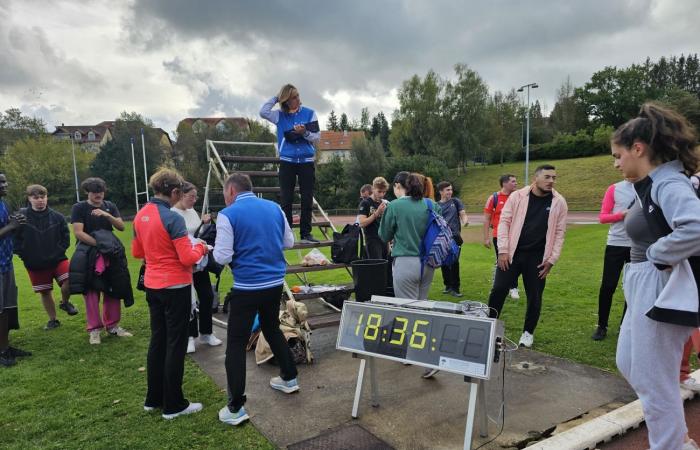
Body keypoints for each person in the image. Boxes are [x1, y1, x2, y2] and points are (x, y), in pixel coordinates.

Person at [612, 103, 700, 450]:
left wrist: (657, 255)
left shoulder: (669, 183)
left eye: (618, 155)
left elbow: (695, 225)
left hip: (660, 285)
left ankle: (673, 446)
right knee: (629, 363)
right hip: (643, 282)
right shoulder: (652, 185)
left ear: (639, 149)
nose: (616, 163)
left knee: (655, 379)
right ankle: (676, 440)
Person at [214, 173, 299, 427]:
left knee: (236, 344)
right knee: (272, 328)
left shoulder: (227, 214)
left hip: (247, 286)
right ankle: (289, 378)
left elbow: (222, 256)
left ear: (231, 191)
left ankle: (235, 407)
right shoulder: (274, 207)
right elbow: (289, 242)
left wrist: (208, 250)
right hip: (274, 283)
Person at [132, 168, 209, 420]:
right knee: (175, 344)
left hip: (153, 285)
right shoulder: (172, 218)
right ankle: (174, 404)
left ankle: (153, 399)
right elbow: (187, 257)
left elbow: (136, 252)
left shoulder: (140, 214)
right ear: (175, 191)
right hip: (175, 286)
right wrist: (201, 249)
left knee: (158, 341)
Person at [487, 165, 568, 348]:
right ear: (536, 178)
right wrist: (503, 250)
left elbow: (560, 233)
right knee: (499, 289)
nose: (551, 181)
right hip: (513, 254)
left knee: (535, 296)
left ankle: (527, 333)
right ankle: (489, 326)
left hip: (538, 258)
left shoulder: (559, 202)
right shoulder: (518, 196)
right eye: (547, 177)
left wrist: (552, 259)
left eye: (554, 177)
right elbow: (504, 223)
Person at [70, 177, 131, 344]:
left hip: (111, 253)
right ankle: (94, 329)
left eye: (101, 191)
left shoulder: (110, 206)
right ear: (87, 192)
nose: (98, 195)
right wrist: (100, 245)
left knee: (113, 288)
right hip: (88, 253)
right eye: (94, 192)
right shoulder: (79, 207)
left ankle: (112, 326)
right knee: (91, 291)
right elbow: (78, 232)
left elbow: (121, 226)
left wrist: (106, 214)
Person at [260, 84, 321, 243]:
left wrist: (304, 132)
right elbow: (263, 112)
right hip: (287, 161)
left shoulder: (309, 113)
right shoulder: (279, 115)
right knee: (286, 199)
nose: (298, 100)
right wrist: (276, 97)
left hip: (306, 161)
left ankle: (306, 234)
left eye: (298, 96)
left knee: (307, 198)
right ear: (286, 100)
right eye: (294, 97)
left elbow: (317, 137)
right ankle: (287, 234)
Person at [14, 184, 78, 330]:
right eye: (35, 197)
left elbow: (65, 239)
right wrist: (25, 256)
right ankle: (53, 320)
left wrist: (57, 252)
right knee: (45, 291)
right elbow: (15, 240)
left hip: (57, 259)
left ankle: (65, 302)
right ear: (29, 198)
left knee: (70, 281)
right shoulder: (21, 218)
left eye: (42, 197)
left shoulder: (58, 217)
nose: (40, 200)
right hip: (35, 263)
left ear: (47, 197)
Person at [171, 182, 222, 354]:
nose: (195, 199)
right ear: (181, 195)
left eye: (196, 196)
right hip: (183, 262)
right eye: (191, 196)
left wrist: (203, 222)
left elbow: (195, 231)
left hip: (199, 259)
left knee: (207, 296)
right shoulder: (172, 213)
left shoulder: (192, 211)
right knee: (189, 299)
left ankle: (206, 333)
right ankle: (189, 336)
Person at [591, 180, 634, 341]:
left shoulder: (648, 186)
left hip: (637, 246)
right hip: (616, 244)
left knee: (632, 287)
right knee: (608, 286)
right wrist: (621, 215)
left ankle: (625, 325)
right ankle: (602, 326)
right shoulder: (615, 188)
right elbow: (603, 217)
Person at [0, 172, 31, 367]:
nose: (5, 184)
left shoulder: (3, 204)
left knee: (8, 307)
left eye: (4, 180)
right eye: (1, 182)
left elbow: (8, 228)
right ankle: (2, 351)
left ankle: (5, 346)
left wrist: (16, 222)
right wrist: (11, 225)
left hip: (6, 261)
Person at [483, 174, 520, 300]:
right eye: (513, 181)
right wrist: (486, 237)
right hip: (498, 236)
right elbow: (487, 219)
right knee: (502, 261)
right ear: (504, 183)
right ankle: (498, 286)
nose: (516, 184)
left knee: (514, 260)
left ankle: (513, 287)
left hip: (515, 235)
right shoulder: (494, 198)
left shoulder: (518, 197)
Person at [437, 181, 468, 297]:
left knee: (454, 262)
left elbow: (463, 213)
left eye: (451, 189)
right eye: (447, 190)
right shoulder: (437, 205)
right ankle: (448, 285)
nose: (450, 192)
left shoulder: (456, 201)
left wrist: (465, 221)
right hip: (441, 238)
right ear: (441, 192)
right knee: (444, 262)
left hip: (455, 237)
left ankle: (456, 288)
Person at [358, 177, 389, 259]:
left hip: (384, 241)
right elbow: (361, 223)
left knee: (385, 269)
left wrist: (388, 242)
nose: (382, 194)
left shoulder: (384, 203)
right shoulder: (365, 203)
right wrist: (377, 213)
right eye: (379, 191)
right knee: (377, 268)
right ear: (373, 189)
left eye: (384, 192)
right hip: (372, 241)